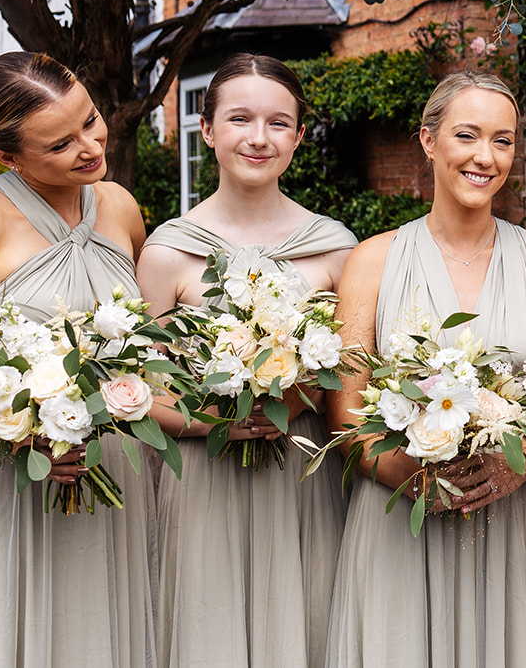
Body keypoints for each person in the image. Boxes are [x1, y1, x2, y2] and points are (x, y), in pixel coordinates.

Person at [0, 53, 154, 667]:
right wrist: (25, 436)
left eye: (91, 121)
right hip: (11, 482)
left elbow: (146, 338)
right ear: (5, 158)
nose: (90, 147)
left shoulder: (119, 206)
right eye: (60, 143)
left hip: (111, 469)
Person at [325, 70, 526, 667]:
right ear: (428, 140)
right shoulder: (372, 261)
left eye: (503, 140)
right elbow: (345, 408)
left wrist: (520, 463)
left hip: (512, 512)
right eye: (467, 135)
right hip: (400, 518)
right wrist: (418, 484)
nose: (485, 157)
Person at [137, 54, 356, 667]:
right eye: (239, 119)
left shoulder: (336, 250)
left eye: (278, 123)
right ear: (206, 130)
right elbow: (139, 395)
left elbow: (358, 383)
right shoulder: (168, 254)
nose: (259, 138)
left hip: (303, 474)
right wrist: (217, 420)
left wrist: (297, 391)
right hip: (204, 478)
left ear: (298, 136)